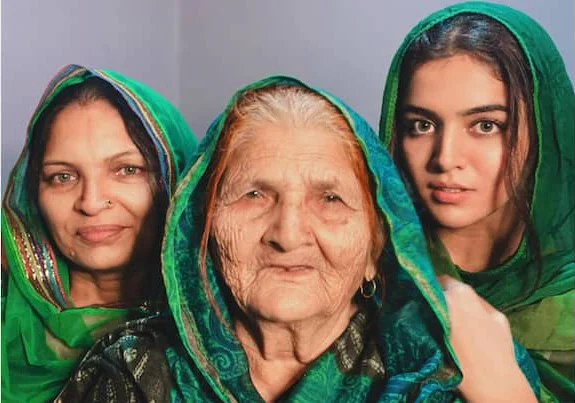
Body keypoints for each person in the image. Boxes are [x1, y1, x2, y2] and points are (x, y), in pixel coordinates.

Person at [58, 76, 538, 402]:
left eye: (330, 199)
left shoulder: (443, 375)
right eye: (253, 194)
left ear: (376, 247)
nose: (288, 234)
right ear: (203, 232)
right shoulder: (132, 371)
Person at [378, 2, 574, 401]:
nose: (446, 157)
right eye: (422, 125)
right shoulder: (360, 274)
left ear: (544, 128)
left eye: (486, 125)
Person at [1, 64, 197, 402]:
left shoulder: (214, 339)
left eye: (127, 170)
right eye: (63, 176)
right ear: (34, 194)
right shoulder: (8, 310)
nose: (91, 203)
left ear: (174, 181)